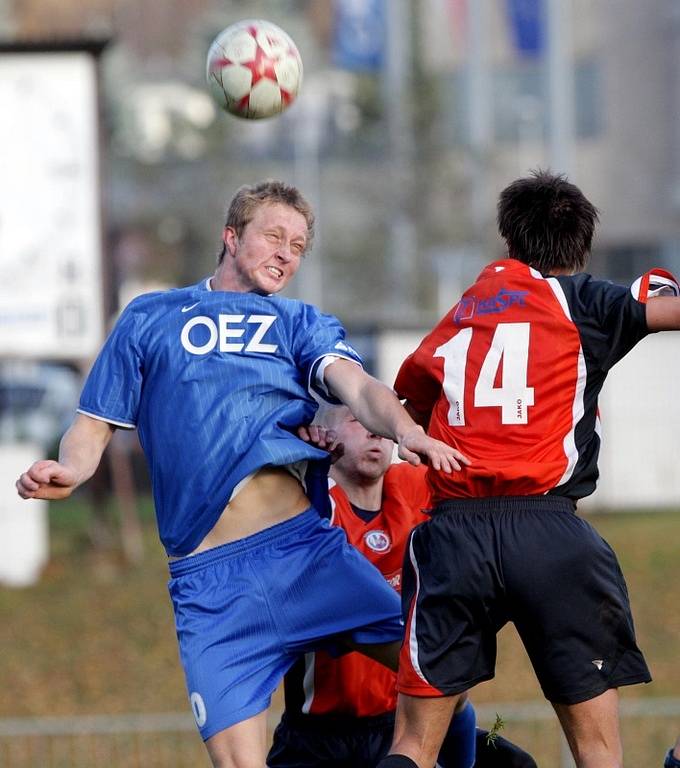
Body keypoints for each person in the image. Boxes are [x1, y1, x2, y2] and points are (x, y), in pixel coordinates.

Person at [15, 180, 467, 768]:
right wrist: (71, 469)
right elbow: (94, 424)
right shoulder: (151, 317)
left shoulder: (300, 323)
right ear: (230, 237)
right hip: (210, 587)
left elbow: (357, 387)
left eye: (299, 245)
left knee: (439, 674)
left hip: (305, 557)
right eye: (274, 237)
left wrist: (406, 430)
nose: (287, 253)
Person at [377, 170, 680, 768]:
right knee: (597, 748)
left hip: (454, 534)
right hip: (548, 531)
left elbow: (407, 398)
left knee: (413, 746)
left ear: (508, 242)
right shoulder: (585, 300)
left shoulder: (467, 309)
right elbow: (665, 312)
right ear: (582, 247)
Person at [267, 404, 537, 768]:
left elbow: (479, 480)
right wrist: (307, 463)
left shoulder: (415, 487)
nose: (375, 432)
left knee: (510, 757)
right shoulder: (313, 506)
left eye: (379, 423)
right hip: (318, 737)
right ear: (324, 434)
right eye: (357, 420)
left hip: (401, 727)